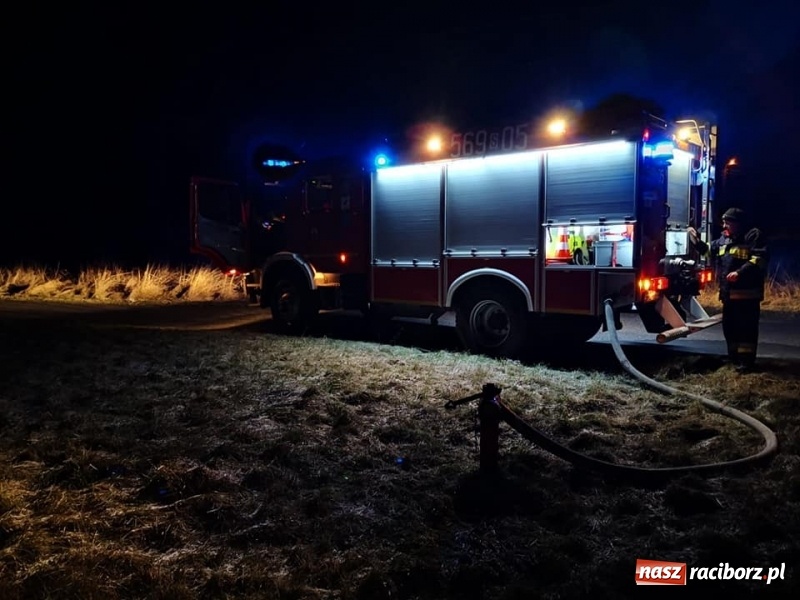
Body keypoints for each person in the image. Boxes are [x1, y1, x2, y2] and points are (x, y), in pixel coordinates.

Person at [688, 208, 769, 372]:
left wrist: (739, 273)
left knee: (746, 330)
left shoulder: (753, 236)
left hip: (747, 295)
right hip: (729, 295)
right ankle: (733, 359)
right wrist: (695, 240)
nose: (724, 226)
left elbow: (759, 259)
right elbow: (709, 250)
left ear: (738, 223)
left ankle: (746, 363)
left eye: (728, 223)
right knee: (730, 328)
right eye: (723, 222)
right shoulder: (724, 239)